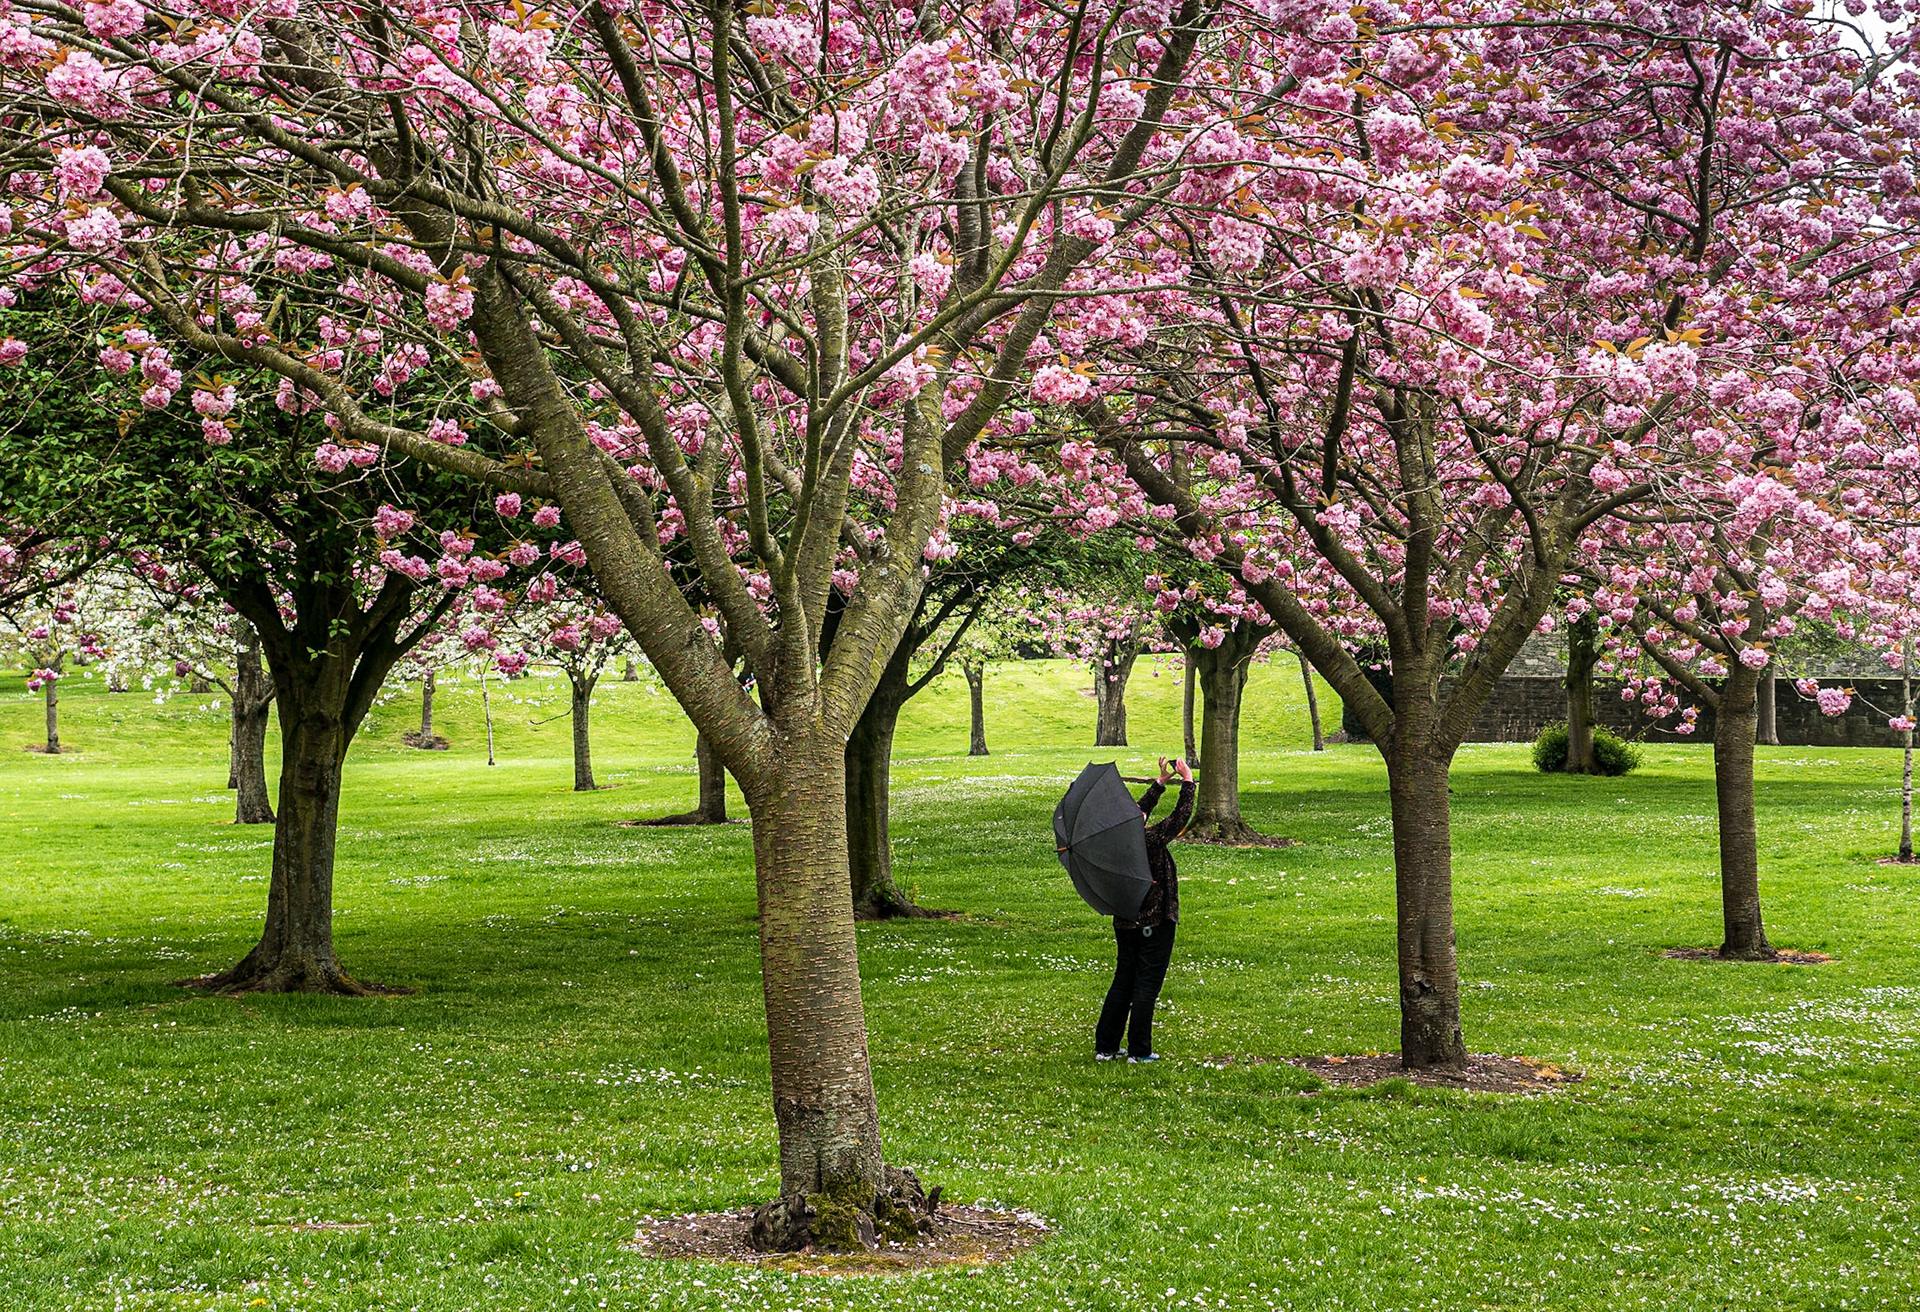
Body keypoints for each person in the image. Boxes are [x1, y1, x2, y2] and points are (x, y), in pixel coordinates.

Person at [1096, 755, 1193, 1064]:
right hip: (1155, 922)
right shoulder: (1148, 840)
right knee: (1146, 985)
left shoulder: (1111, 842)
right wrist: (1187, 783)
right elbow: (1178, 820)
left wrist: (1159, 784)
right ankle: (1140, 1051)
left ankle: (1106, 1047)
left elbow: (1137, 814)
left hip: (1124, 921)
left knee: (1123, 980)